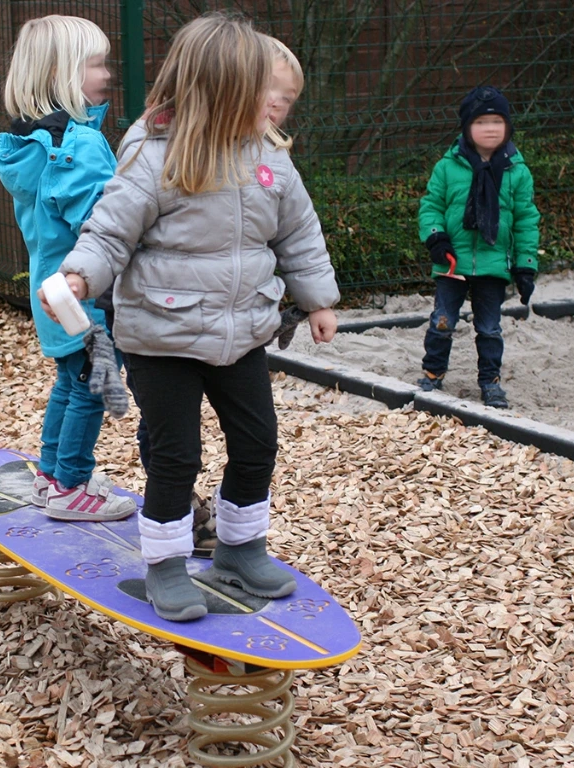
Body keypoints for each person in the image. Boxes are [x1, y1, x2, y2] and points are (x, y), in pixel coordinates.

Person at [41, 14, 340, 621]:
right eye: (262, 88)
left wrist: (318, 298)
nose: (273, 101)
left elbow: (299, 234)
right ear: (224, 91)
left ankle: (240, 547)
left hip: (242, 334)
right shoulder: (155, 156)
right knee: (176, 455)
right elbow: (109, 231)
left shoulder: (269, 159)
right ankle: (167, 565)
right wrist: (79, 276)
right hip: (163, 336)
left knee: (257, 443)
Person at [0, 15, 135, 522]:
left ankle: (50, 477)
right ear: (61, 74)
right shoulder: (76, 147)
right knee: (94, 390)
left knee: (70, 383)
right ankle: (71, 486)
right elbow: (105, 224)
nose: (107, 73)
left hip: (49, 289)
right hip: (84, 293)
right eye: (96, 64)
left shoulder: (28, 145)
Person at [417, 86, 540, 408]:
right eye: (482, 122)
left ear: (508, 127)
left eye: (497, 122)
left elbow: (526, 220)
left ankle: (490, 382)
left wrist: (526, 265)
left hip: (493, 263)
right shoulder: (448, 167)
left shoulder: (517, 171)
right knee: (442, 321)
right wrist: (436, 238)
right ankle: (432, 374)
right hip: (451, 261)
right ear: (467, 127)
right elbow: (431, 206)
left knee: (489, 328)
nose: (490, 129)